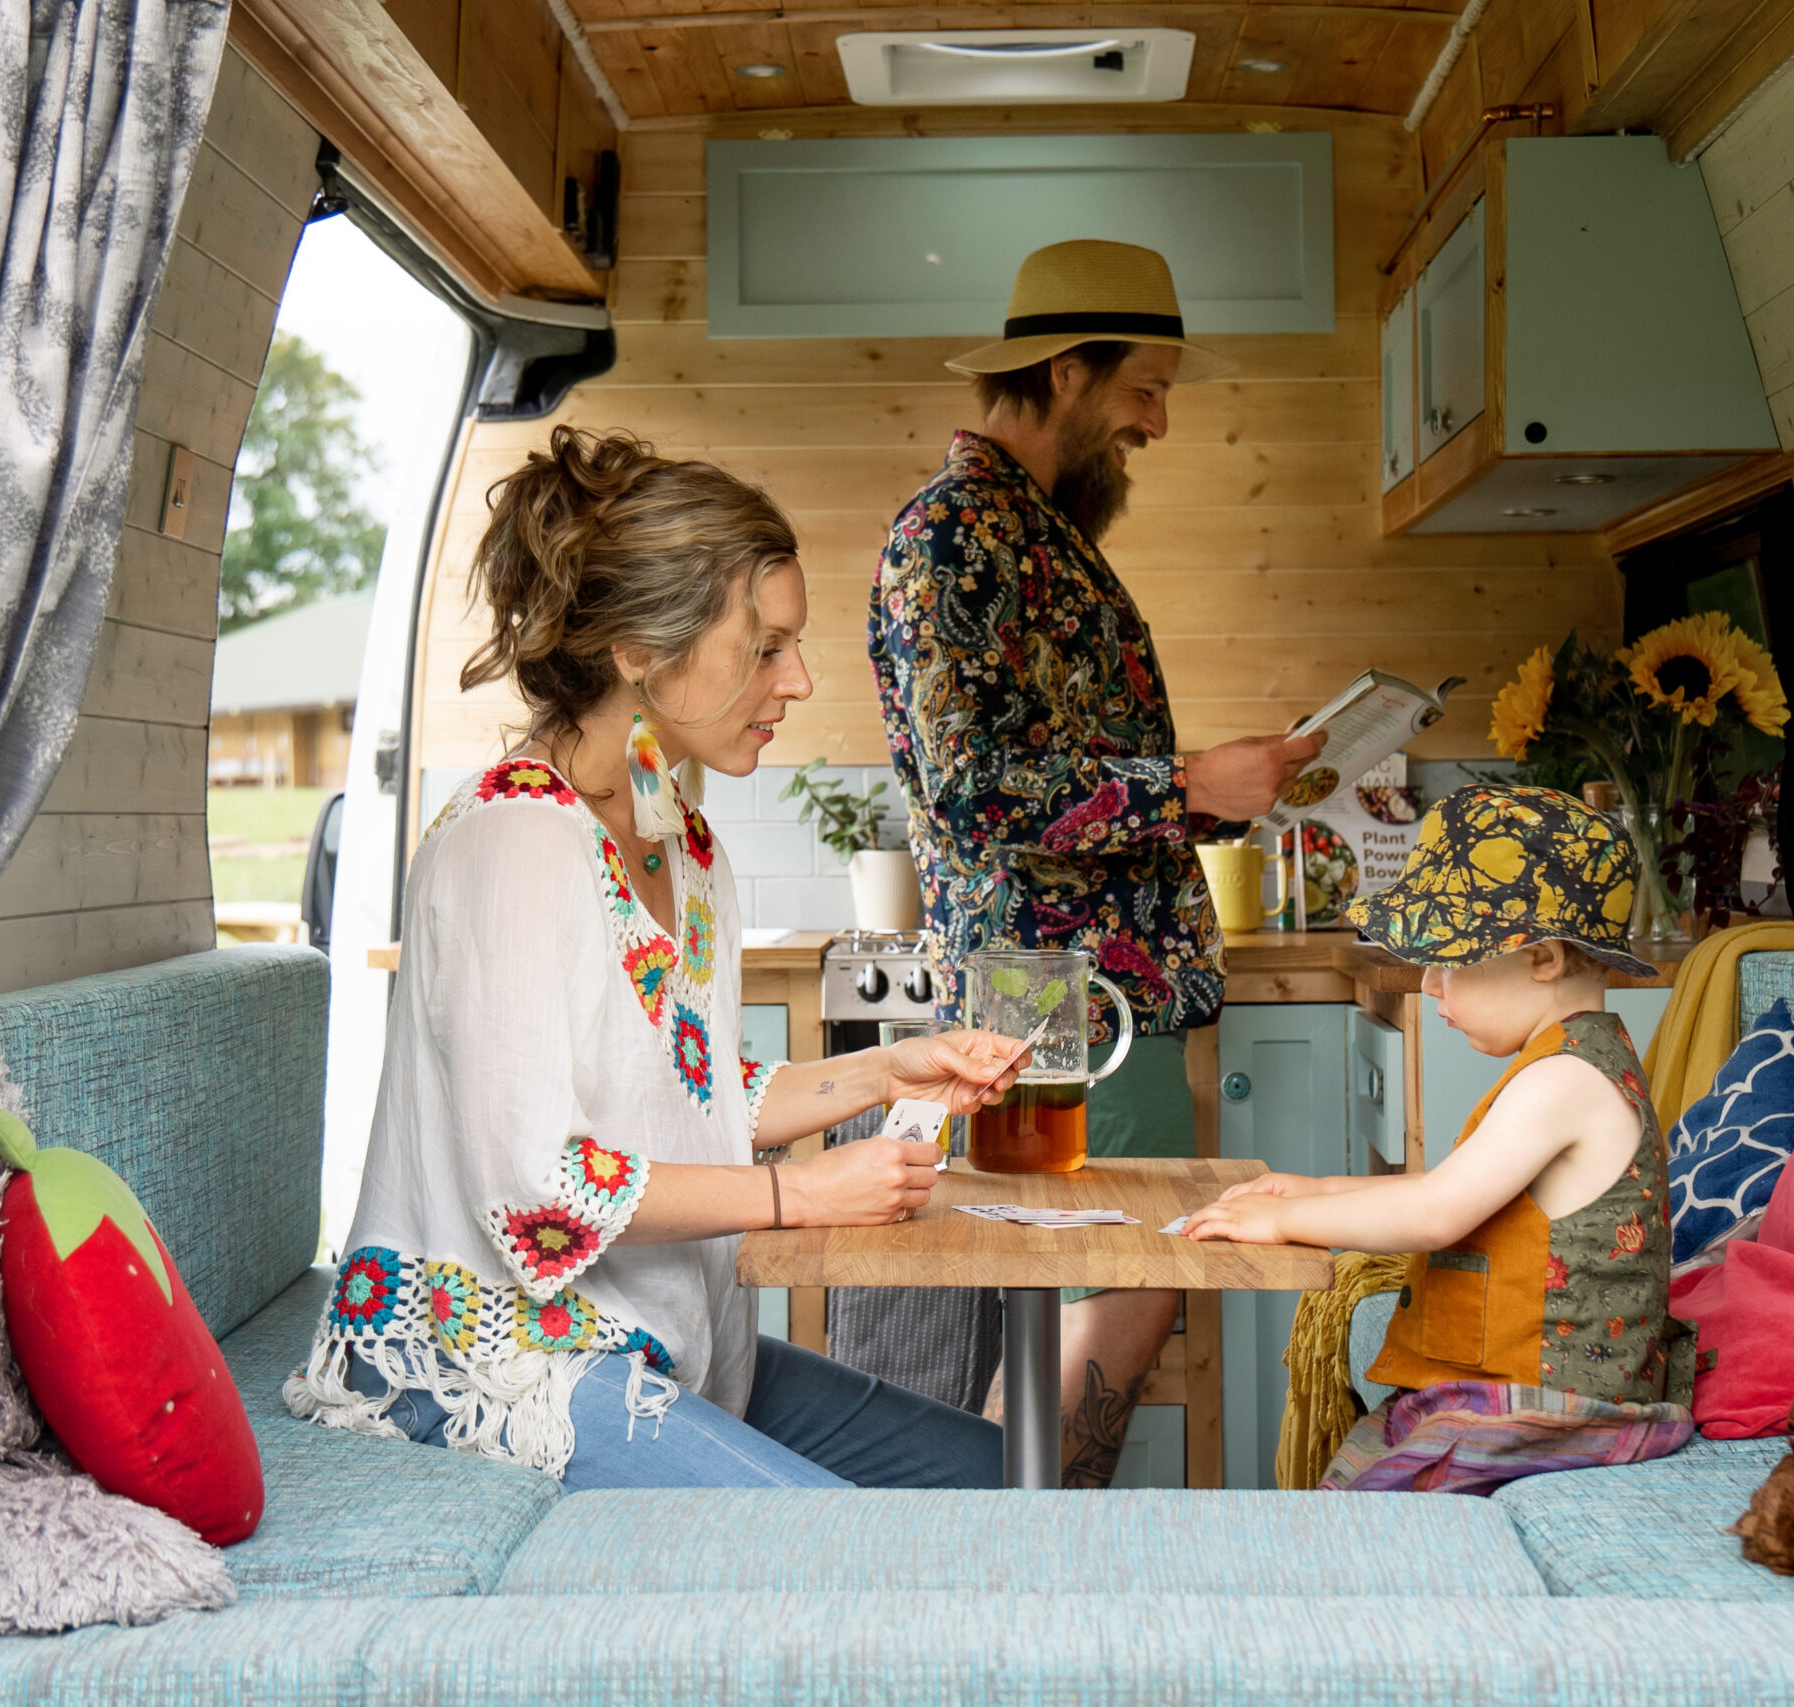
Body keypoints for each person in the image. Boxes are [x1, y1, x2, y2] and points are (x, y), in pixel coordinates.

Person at [288, 426, 1027, 1490]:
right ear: (639, 648)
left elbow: (684, 1090)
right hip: (495, 1367)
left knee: (993, 1475)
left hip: (647, 1345)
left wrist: (880, 1074)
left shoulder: (679, 841)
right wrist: (800, 1198)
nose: (800, 678)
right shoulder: (514, 840)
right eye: (765, 646)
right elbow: (539, 1190)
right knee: (865, 1556)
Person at [869, 240, 1325, 1486]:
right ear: (1068, 371)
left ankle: (1021, 1552)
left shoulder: (1029, 534)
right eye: (1145, 389)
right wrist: (1182, 784)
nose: (1159, 424)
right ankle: (1021, 1552)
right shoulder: (959, 535)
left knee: (1089, 1277)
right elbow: (971, 795)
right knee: (1115, 1273)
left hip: (1088, 979)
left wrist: (1211, 800)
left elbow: (1054, 774)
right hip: (1055, 984)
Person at [1182, 786, 1697, 1493]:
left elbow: (1434, 1214)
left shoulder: (1566, 1080)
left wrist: (1281, 1220)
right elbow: (1449, 1188)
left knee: (1364, 1496)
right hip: (1529, 1387)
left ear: (1543, 957)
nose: (1429, 986)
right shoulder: (1566, 1059)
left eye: (1450, 961)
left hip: (1562, 1406)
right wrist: (1312, 1188)